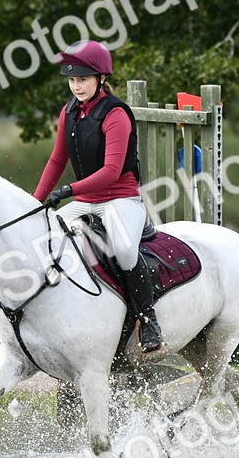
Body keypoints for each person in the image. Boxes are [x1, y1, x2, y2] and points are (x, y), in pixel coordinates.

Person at [34, 40, 164, 355]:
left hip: (120, 199)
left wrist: (68, 190)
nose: (76, 86)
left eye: (83, 79)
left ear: (101, 78)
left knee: (124, 249)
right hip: (85, 201)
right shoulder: (69, 112)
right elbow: (57, 160)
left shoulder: (116, 113)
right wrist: (34, 204)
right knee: (44, 239)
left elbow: (111, 171)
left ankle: (148, 320)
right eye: (72, 80)